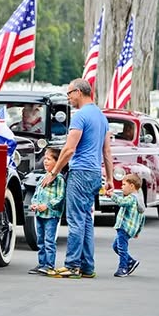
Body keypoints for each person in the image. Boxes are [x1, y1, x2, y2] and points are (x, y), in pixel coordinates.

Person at [42, 78, 113, 279]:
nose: (68, 98)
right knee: (86, 220)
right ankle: (87, 267)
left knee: (75, 220)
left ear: (79, 92)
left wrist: (53, 172)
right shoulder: (101, 117)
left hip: (80, 172)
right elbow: (107, 151)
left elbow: (69, 149)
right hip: (94, 174)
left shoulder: (80, 116)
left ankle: (72, 265)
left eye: (69, 93)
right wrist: (109, 179)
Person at [28, 147, 65, 276]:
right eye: (45, 159)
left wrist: (47, 205)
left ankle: (50, 265)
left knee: (49, 240)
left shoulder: (59, 179)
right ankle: (42, 263)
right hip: (40, 214)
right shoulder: (43, 177)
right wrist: (34, 204)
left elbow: (60, 197)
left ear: (57, 162)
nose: (45, 161)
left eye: (49, 159)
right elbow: (37, 193)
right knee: (40, 240)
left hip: (51, 215)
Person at [106, 173, 144, 277]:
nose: (122, 187)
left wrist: (112, 195)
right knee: (116, 246)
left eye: (123, 184)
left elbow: (122, 202)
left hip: (124, 227)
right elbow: (142, 218)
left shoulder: (131, 198)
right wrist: (137, 231)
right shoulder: (139, 200)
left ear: (132, 186)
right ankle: (131, 261)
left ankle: (123, 268)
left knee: (122, 249)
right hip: (129, 229)